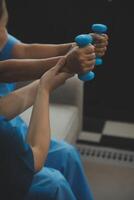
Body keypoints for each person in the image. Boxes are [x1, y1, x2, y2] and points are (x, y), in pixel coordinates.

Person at [0, 0, 108, 199]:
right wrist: (47, 84)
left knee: (67, 154)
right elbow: (36, 157)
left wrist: (72, 51)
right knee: (54, 184)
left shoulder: (3, 40)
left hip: (10, 132)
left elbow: (19, 56)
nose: (5, 38)